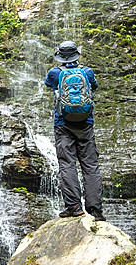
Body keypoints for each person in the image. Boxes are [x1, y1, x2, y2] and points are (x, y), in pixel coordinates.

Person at [44, 40, 105, 221]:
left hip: (63, 124)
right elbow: (94, 87)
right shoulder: (87, 72)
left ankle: (74, 207)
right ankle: (95, 210)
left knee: (67, 164)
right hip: (86, 124)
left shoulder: (55, 73)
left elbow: (48, 84)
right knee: (90, 165)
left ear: (60, 56)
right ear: (77, 55)